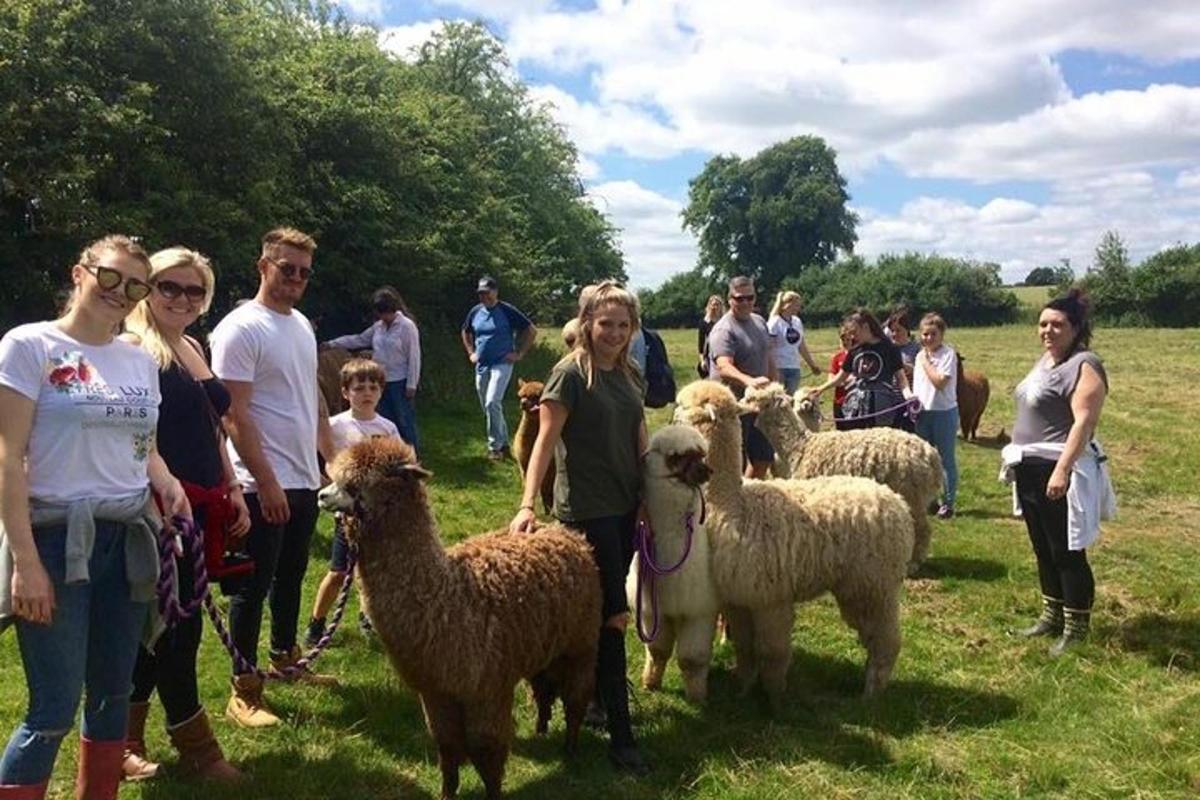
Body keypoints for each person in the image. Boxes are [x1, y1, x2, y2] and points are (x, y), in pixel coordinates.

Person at [0, 235, 191, 799]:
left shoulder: (139, 358)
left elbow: (143, 445)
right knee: (53, 707)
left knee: (112, 695)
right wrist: (26, 564)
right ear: (79, 273)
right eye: (111, 278)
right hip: (56, 542)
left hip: (128, 542)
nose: (121, 294)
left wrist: (167, 481)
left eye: (135, 286)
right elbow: (8, 457)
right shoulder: (30, 345)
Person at [509, 281, 650, 776]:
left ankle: (590, 698)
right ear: (587, 323)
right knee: (613, 615)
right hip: (586, 511)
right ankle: (622, 735)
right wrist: (528, 505)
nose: (614, 332)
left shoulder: (629, 374)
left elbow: (638, 436)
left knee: (605, 614)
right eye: (605, 323)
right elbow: (543, 443)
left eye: (623, 324)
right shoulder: (569, 375)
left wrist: (649, 495)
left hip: (625, 507)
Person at [119, 247, 248, 782]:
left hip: (204, 502)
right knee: (173, 625)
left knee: (166, 624)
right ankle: (197, 750)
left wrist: (231, 484)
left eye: (194, 291)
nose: (181, 299)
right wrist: (161, 498)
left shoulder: (191, 344)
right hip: (160, 508)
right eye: (168, 287)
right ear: (146, 288)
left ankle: (119, 742)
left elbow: (213, 423)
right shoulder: (131, 349)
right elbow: (132, 435)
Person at [210, 227, 337, 729]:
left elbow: (313, 399)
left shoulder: (302, 324)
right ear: (263, 266)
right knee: (252, 586)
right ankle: (243, 689)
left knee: (291, 576)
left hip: (304, 476)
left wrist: (331, 462)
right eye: (287, 269)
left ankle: (285, 658)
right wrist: (264, 482)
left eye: (304, 272)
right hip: (260, 480)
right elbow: (232, 414)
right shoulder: (241, 328)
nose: (296, 279)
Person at [1005, 289, 1110, 656]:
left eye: (1057, 325)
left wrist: (1062, 470)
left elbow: (1083, 422)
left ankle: (1076, 627)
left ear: (1076, 328)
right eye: (1043, 324)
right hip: (1029, 467)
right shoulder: (1046, 361)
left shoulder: (1084, 364)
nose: (1048, 331)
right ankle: (1051, 615)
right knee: (1042, 546)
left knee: (1066, 549)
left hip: (1058, 468)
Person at [304, 358, 401, 649]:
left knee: (373, 570)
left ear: (381, 392)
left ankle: (367, 616)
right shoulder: (334, 426)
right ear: (346, 392)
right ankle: (316, 623)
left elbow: (399, 465)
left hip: (378, 516)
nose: (367, 393)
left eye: (373, 387)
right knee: (338, 571)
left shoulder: (387, 428)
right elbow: (314, 457)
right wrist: (327, 484)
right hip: (347, 516)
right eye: (359, 388)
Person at [322, 286, 420, 452]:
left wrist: (412, 384)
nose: (384, 317)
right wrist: (332, 343)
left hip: (399, 381)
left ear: (393, 308)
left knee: (404, 420)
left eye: (386, 312)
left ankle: (412, 456)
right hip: (379, 382)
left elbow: (414, 356)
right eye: (381, 313)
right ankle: (387, 455)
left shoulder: (407, 326)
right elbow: (359, 339)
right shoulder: (378, 327)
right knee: (384, 421)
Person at [461, 276, 538, 461]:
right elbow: (465, 331)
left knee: (492, 402)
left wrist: (519, 353)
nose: (484, 296)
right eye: (481, 293)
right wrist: (471, 352)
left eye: (487, 292)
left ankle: (494, 447)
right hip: (481, 365)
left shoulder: (506, 310)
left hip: (502, 363)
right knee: (489, 406)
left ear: (495, 292)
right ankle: (503, 443)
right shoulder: (476, 311)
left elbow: (531, 330)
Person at [708, 276, 777, 478]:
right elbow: (723, 366)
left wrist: (775, 386)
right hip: (733, 406)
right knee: (734, 462)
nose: (746, 302)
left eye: (750, 297)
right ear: (730, 299)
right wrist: (749, 381)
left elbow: (768, 355)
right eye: (739, 299)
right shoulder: (723, 329)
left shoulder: (759, 322)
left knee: (764, 456)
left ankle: (748, 495)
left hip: (758, 403)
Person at [808, 308, 912, 430]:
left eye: (854, 332)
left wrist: (909, 396)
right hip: (857, 407)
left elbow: (901, 379)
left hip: (881, 407)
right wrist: (821, 389)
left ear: (866, 327)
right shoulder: (854, 350)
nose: (852, 336)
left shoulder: (890, 348)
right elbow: (841, 377)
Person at [912, 313, 959, 519]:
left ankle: (948, 502)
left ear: (941, 334)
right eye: (925, 334)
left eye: (933, 334)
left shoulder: (948, 355)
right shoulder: (920, 356)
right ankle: (930, 499)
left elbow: (940, 383)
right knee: (925, 459)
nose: (928, 338)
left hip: (943, 412)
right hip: (923, 413)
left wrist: (925, 362)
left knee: (945, 458)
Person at [766, 290, 821, 394]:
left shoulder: (797, 321)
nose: (798, 308)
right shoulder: (775, 322)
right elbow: (769, 348)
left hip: (794, 367)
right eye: (796, 305)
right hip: (779, 367)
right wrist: (772, 370)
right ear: (787, 304)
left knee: (792, 399)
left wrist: (812, 365)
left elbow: (801, 345)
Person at [828, 321, 856, 431]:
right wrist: (844, 380)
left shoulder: (858, 355)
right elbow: (831, 379)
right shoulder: (837, 358)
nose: (845, 342)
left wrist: (841, 380)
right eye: (842, 339)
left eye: (848, 339)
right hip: (839, 401)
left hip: (854, 402)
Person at [696, 294, 723, 378]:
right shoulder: (704, 323)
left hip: (723, 353)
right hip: (709, 355)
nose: (714, 307)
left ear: (721, 307)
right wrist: (702, 360)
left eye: (717, 304)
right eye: (713, 304)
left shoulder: (725, 321)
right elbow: (701, 344)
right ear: (709, 306)